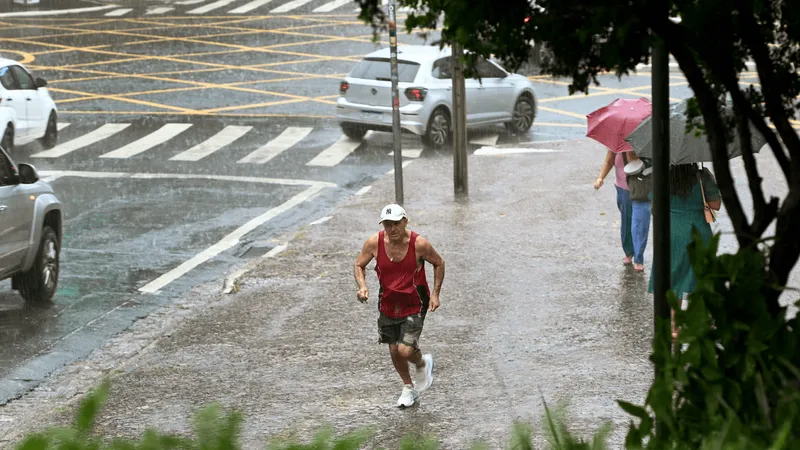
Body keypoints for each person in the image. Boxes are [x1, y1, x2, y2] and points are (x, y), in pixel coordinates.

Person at [354, 204, 445, 407]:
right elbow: (359, 264)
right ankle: (408, 387)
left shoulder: (419, 244)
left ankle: (423, 363)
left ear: (405, 222)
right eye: (387, 224)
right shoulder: (374, 243)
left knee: (405, 350)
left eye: (396, 224)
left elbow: (439, 262)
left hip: (415, 302)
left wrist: (436, 294)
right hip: (387, 302)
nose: (392, 229)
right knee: (394, 349)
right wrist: (362, 286)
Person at [648, 164, 721, 339]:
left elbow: (654, 208)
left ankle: (674, 326)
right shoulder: (702, 176)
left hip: (671, 231)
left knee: (673, 277)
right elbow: (715, 204)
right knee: (702, 275)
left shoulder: (661, 175)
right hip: (698, 231)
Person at [595, 150, 635, 265]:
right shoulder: (617, 143)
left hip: (638, 186)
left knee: (637, 220)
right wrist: (600, 177)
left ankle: (634, 252)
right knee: (627, 219)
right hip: (621, 187)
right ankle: (629, 250)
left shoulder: (641, 141)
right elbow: (608, 162)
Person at [623, 153, 653, 273]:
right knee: (627, 223)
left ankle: (638, 257)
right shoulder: (621, 141)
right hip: (623, 186)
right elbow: (610, 160)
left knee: (640, 225)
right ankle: (629, 251)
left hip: (643, 187)